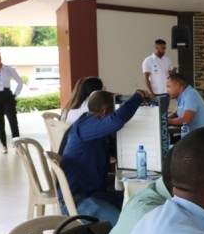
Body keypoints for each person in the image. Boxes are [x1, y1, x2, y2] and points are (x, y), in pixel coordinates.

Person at [60, 89, 154, 225]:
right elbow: (117, 120)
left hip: (94, 193)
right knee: (123, 224)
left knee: (136, 201)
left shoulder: (91, 125)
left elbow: (112, 150)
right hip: (77, 199)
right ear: (105, 111)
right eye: (113, 110)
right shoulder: (86, 126)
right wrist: (138, 96)